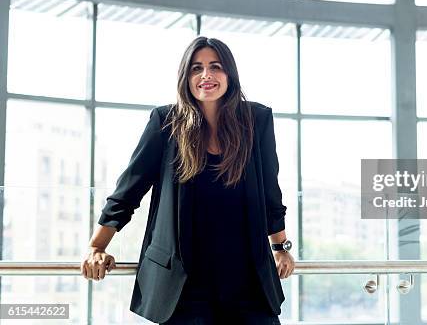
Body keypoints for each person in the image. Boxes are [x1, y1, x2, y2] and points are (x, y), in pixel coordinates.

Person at [80, 36, 295, 324]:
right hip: (183, 284)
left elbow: (270, 191)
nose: (206, 75)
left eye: (215, 66)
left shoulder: (256, 120)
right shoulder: (166, 122)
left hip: (247, 280)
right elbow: (130, 189)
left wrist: (280, 248)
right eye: (196, 68)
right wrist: (98, 246)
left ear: (229, 74)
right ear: (186, 76)